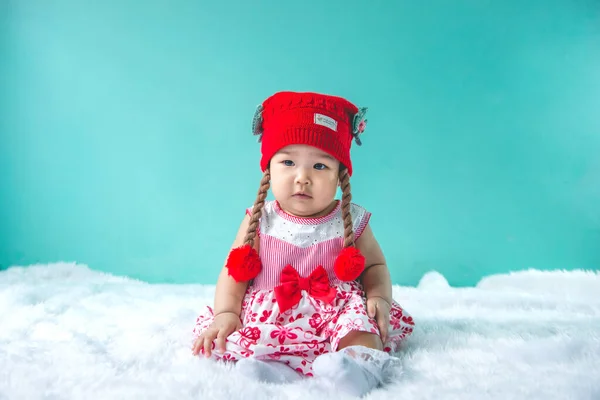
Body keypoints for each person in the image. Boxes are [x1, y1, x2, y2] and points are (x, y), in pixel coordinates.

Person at [191, 91, 414, 397]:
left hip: (335, 309)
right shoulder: (261, 219)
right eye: (288, 162)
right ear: (269, 169)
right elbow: (234, 270)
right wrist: (226, 313)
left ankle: (354, 370)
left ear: (340, 176)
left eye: (320, 167)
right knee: (243, 336)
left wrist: (379, 298)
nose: (302, 178)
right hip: (276, 310)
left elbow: (375, 264)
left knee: (362, 330)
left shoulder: (350, 218)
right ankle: (272, 368)